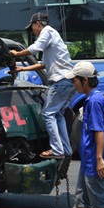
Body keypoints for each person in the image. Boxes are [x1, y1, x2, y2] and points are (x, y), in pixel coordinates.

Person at [57, 61, 104, 208]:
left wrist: (99, 159)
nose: (73, 84)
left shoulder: (94, 101)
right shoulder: (95, 99)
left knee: (102, 200)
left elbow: (99, 131)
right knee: (81, 197)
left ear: (84, 80)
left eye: (75, 80)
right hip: (88, 159)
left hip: (94, 161)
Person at [10, 12, 75, 159]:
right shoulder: (52, 37)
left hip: (60, 81)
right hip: (68, 81)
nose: (32, 30)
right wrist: (23, 69)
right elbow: (43, 64)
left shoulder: (47, 32)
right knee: (57, 114)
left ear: (38, 24)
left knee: (48, 113)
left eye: (32, 27)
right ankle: (65, 148)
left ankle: (57, 150)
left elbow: (34, 49)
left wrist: (16, 54)